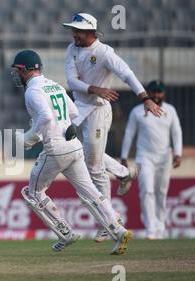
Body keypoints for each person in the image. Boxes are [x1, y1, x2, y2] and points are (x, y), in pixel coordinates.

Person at [12, 49, 132, 255]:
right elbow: (74, 112)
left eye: (17, 70)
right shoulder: (54, 85)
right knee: (91, 192)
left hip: (56, 149)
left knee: (32, 193)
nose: (16, 74)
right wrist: (58, 127)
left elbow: (46, 117)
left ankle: (65, 233)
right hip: (74, 146)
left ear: (24, 70)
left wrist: (30, 137)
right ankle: (119, 231)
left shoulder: (32, 91)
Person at [62, 13, 163, 242]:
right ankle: (125, 173)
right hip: (79, 108)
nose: (74, 34)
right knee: (72, 147)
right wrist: (96, 89)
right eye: (73, 30)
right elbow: (71, 81)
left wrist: (145, 98)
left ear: (90, 32)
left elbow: (127, 74)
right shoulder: (72, 49)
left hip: (98, 111)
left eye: (77, 30)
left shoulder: (105, 53)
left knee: (94, 167)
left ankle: (108, 223)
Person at [121, 80, 183, 239]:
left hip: (164, 158)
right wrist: (124, 156)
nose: (156, 95)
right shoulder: (137, 112)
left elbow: (176, 132)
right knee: (147, 191)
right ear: (148, 93)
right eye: (153, 92)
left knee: (161, 192)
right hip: (144, 157)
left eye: (159, 92)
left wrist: (178, 153)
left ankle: (160, 228)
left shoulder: (170, 110)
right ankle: (151, 229)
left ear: (164, 93)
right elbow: (129, 134)